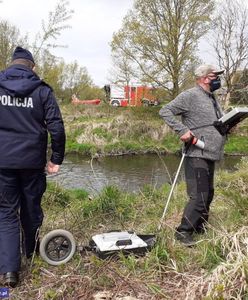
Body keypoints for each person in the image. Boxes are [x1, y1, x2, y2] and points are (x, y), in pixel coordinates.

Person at [0, 46, 66, 287]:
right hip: (32, 162)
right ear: (33, 67)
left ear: (11, 65)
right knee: (31, 208)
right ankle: (29, 253)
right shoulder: (41, 90)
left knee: (6, 213)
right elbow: (56, 126)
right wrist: (56, 159)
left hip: (3, 162)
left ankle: (10, 271)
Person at [159, 64, 225, 246]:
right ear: (204, 78)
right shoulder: (190, 95)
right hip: (196, 152)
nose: (218, 79)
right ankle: (183, 232)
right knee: (199, 194)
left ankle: (199, 227)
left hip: (211, 152)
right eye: (214, 76)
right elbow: (165, 111)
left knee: (209, 193)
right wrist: (182, 130)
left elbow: (215, 122)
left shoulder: (212, 98)